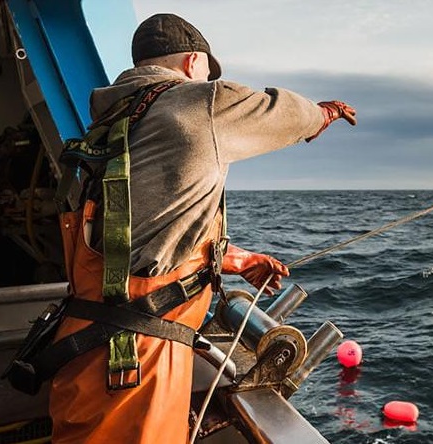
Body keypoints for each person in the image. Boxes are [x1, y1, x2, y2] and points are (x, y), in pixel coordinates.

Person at [49, 13, 356, 444]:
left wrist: (232, 259)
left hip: (83, 343)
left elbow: (138, 230)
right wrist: (320, 115)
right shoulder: (199, 101)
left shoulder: (115, 120)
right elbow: (281, 112)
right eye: (207, 74)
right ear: (194, 62)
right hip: (135, 355)